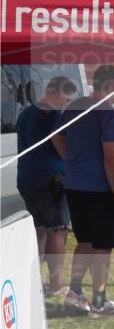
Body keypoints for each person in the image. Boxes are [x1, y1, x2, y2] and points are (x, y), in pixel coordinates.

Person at [51, 65, 114, 317]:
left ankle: (75, 293)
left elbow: (56, 137)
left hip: (75, 185)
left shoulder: (76, 106)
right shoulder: (109, 114)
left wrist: (71, 161)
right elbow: (111, 157)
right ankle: (99, 301)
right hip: (98, 188)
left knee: (85, 241)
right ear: (110, 86)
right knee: (102, 246)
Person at [16, 76, 78, 296]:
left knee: (40, 231)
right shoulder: (53, 115)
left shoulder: (25, 114)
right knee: (57, 230)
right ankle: (56, 284)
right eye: (66, 99)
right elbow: (58, 141)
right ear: (56, 93)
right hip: (50, 179)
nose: (66, 104)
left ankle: (32, 282)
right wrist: (73, 164)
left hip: (26, 177)